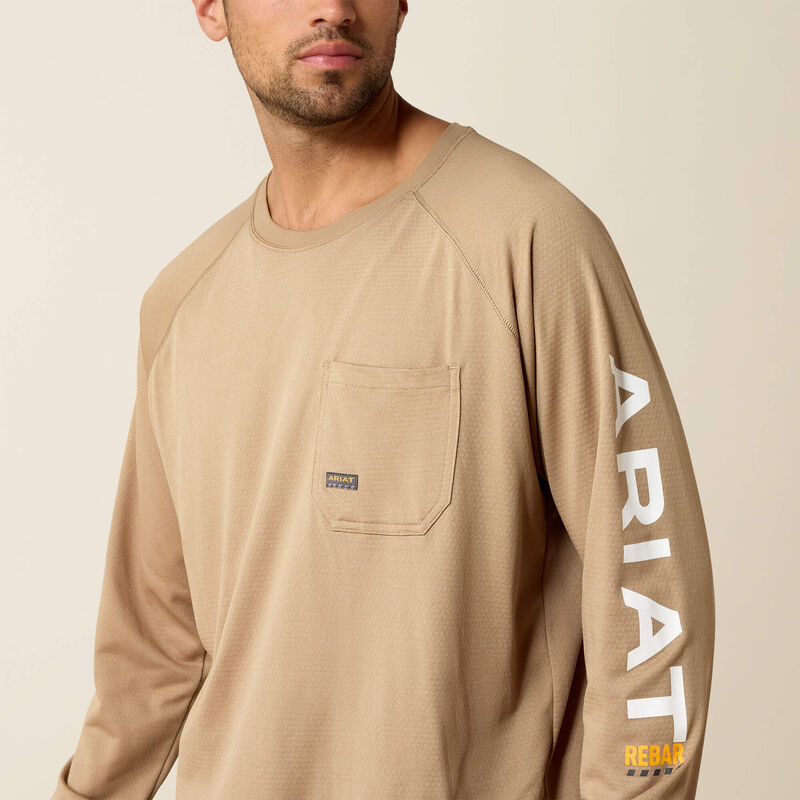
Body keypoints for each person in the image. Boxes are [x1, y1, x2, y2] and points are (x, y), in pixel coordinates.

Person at [50, 1, 715, 798]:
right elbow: (152, 651)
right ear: (210, 9)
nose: (330, 8)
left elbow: (650, 587)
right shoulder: (183, 302)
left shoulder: (530, 239)